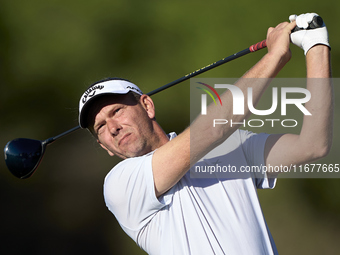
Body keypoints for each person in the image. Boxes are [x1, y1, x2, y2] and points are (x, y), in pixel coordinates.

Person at [78, 13, 332, 255]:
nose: (113, 127)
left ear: (147, 105)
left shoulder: (233, 145)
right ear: (105, 146)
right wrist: (276, 55)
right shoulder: (119, 184)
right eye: (100, 127)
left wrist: (316, 46)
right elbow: (214, 128)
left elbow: (313, 146)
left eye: (117, 111)